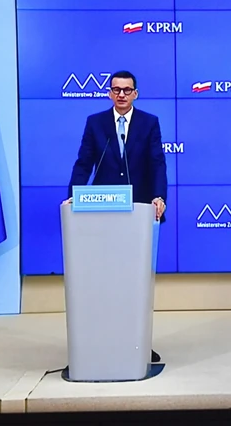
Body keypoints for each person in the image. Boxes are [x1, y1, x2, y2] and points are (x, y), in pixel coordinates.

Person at [66, 70, 167, 363]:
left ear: (135, 93)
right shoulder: (95, 123)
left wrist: (159, 197)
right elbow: (84, 162)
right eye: (116, 90)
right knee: (105, 280)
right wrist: (74, 194)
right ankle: (100, 341)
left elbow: (157, 163)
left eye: (127, 90)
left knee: (134, 283)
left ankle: (137, 344)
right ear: (109, 93)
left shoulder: (149, 123)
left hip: (139, 213)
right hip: (102, 213)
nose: (121, 94)